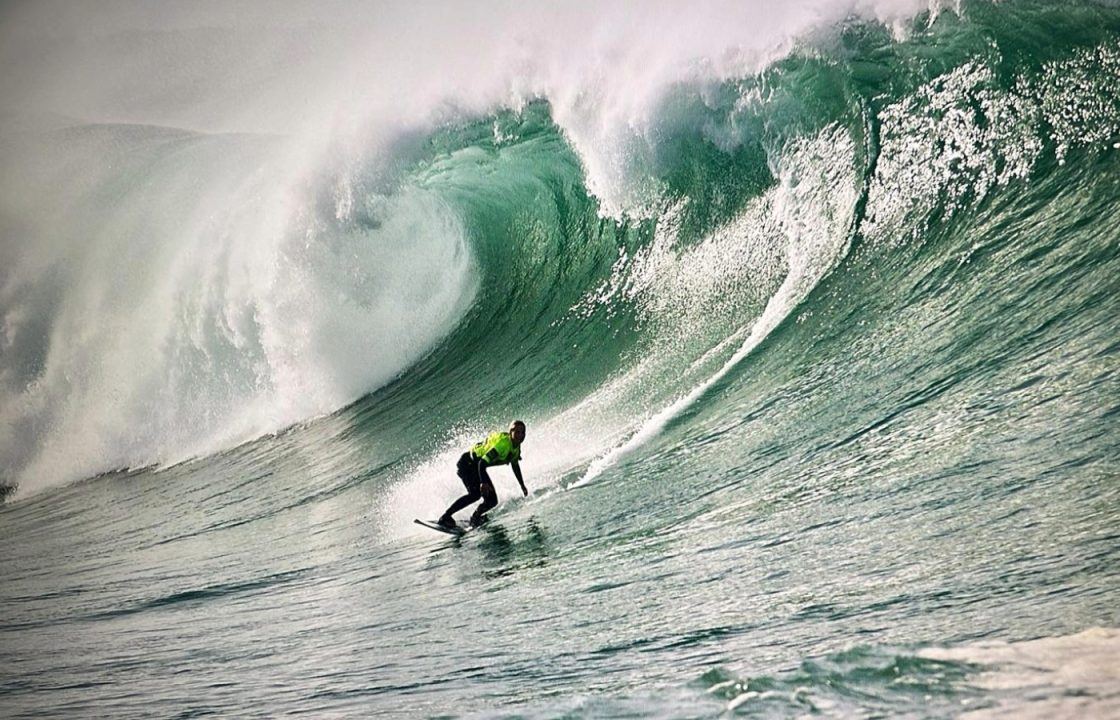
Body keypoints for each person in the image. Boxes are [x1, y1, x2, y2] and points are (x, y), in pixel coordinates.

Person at [438, 420, 527, 529]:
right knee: (475, 494)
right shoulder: (503, 445)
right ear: (510, 432)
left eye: (523, 432)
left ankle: (476, 517)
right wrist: (483, 483)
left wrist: (522, 485)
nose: (520, 435)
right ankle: (445, 517)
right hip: (467, 464)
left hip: (477, 467)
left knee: (492, 501)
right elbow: (482, 463)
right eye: (517, 432)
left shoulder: (516, 446)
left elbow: (515, 465)